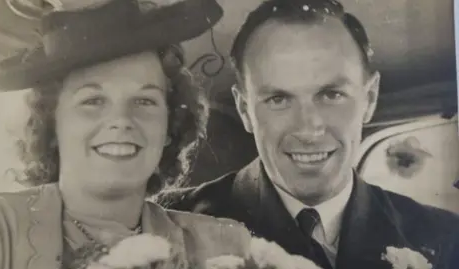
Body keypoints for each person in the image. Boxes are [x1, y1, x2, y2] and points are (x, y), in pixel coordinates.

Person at [157, 0, 459, 268]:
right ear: (246, 110)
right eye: (278, 99)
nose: (309, 128)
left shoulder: (446, 239)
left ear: (370, 98)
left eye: (331, 94)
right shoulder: (167, 226)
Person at [0, 1, 252, 268]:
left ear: (169, 126)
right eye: (93, 101)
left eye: (145, 101)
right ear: (52, 122)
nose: (121, 121)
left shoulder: (222, 246)